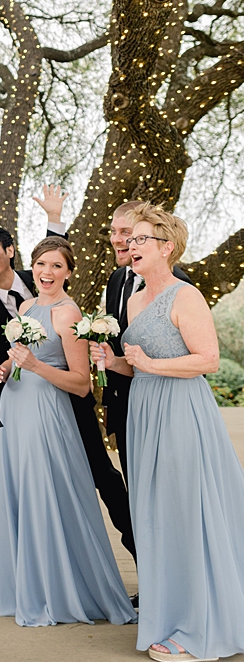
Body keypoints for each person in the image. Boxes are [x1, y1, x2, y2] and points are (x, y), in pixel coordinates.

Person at [93, 204, 244, 662]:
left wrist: (151, 365)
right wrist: (113, 360)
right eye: (129, 240)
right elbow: (135, 365)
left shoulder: (186, 296)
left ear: (167, 247)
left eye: (140, 240)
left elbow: (208, 360)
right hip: (145, 413)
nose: (130, 246)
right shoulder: (134, 298)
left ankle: (199, 625)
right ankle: (170, 611)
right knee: (156, 511)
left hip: (181, 411)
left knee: (186, 508)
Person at [0, 237, 137, 628]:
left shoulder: (68, 314)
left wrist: (34, 367)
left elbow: (81, 383)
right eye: (41, 265)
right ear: (31, 267)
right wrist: (3, 367)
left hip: (45, 412)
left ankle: (59, 589)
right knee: (18, 493)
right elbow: (17, 352)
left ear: (68, 272)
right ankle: (26, 586)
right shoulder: (26, 306)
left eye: (56, 266)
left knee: (45, 497)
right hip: (14, 407)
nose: (47, 273)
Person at [102, 200, 191, 484]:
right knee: (139, 489)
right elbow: (126, 348)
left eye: (131, 234)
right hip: (127, 402)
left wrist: (149, 364)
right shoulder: (118, 281)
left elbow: (198, 355)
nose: (121, 240)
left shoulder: (179, 286)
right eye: (115, 231)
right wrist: (110, 362)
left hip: (168, 404)